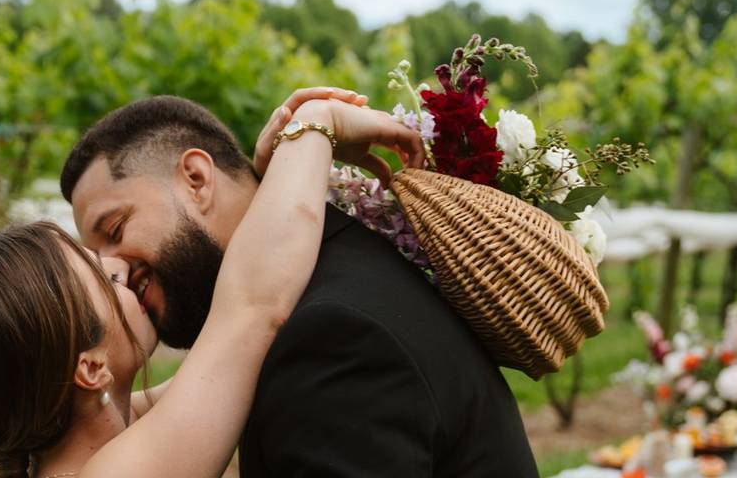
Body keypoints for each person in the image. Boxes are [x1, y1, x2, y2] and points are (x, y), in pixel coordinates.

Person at [0, 90, 425, 478]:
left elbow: (224, 365)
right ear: (89, 367)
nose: (120, 268)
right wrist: (314, 123)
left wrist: (267, 178)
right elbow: (251, 305)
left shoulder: (65, 447)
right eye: (101, 277)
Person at [61, 91, 539, 477]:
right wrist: (310, 134)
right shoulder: (324, 276)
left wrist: (309, 132)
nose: (114, 270)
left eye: (116, 230)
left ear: (196, 178)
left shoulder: (328, 335)